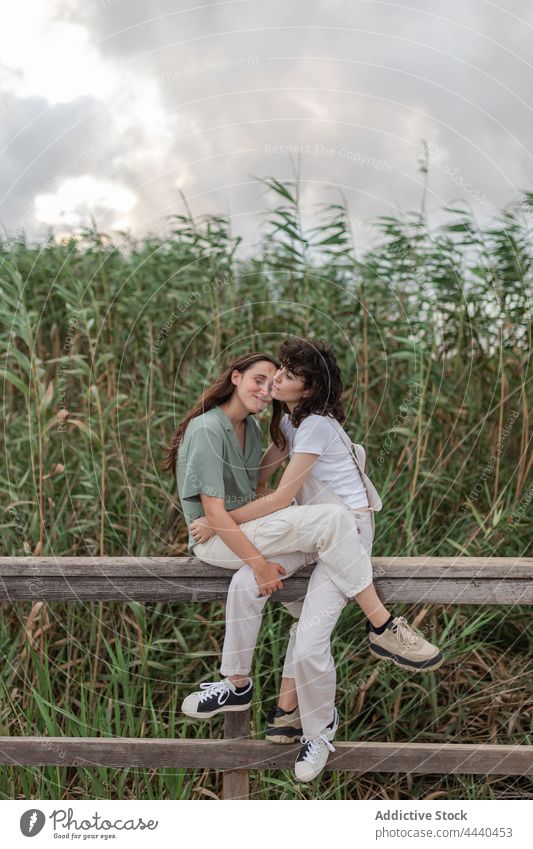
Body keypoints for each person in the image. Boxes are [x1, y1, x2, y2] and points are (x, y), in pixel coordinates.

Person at [165, 345, 443, 782]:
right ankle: (240, 687)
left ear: (309, 387)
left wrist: (218, 523)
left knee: (312, 643)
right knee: (245, 581)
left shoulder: (314, 424)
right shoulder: (290, 425)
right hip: (316, 535)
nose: (277, 378)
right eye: (273, 373)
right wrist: (230, 521)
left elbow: (277, 498)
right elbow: (263, 479)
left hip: (344, 536)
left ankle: (353, 674)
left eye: (288, 373)